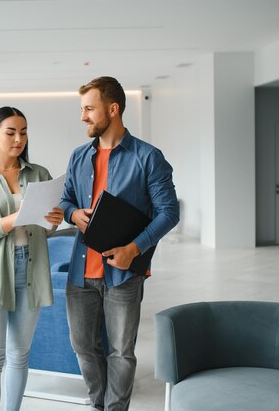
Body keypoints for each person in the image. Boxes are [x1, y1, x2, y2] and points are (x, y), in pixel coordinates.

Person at [59, 76, 180, 411]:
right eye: (82, 109)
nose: (83, 116)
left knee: (121, 352)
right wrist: (72, 215)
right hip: (81, 272)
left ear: (112, 109)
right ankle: (98, 403)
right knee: (83, 347)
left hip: (124, 275)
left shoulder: (148, 157)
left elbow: (169, 212)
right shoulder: (78, 156)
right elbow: (66, 199)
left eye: (89, 109)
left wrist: (134, 249)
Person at [0, 106, 64, 411]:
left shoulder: (39, 174)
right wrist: (19, 217)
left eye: (23, 131)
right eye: (10, 132)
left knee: (20, 354)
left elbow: (45, 228)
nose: (18, 138)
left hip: (30, 269)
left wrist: (54, 220)